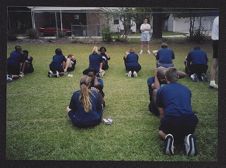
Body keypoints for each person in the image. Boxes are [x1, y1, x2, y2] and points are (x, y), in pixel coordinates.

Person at [156, 68, 198, 156]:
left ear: (166, 78)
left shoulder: (161, 90)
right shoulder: (187, 89)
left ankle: (168, 137)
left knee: (160, 132)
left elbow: (161, 112)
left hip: (171, 119)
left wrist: (163, 124)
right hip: (190, 119)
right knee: (187, 130)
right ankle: (187, 138)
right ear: (178, 77)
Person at [209, 16, 219, 89]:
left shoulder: (216, 18)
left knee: (215, 61)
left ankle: (212, 82)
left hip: (215, 41)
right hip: (218, 40)